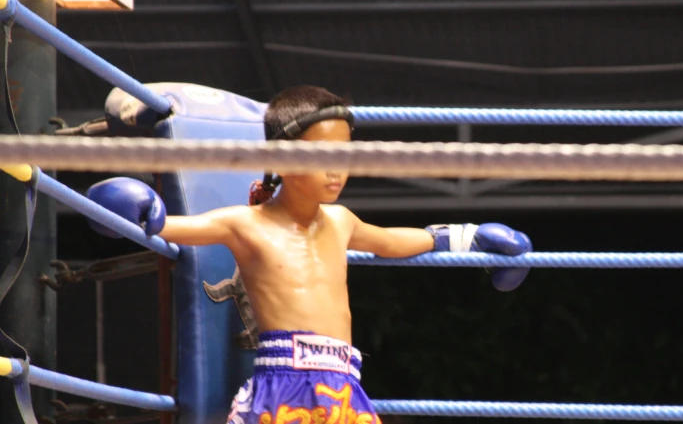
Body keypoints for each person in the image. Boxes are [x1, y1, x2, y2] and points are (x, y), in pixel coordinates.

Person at [85, 86, 533, 424]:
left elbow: (392, 241)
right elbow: (170, 229)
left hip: (344, 383)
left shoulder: (342, 222)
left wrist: (464, 237)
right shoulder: (246, 223)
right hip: (281, 379)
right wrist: (136, 207)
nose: (337, 168)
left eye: (345, 154)